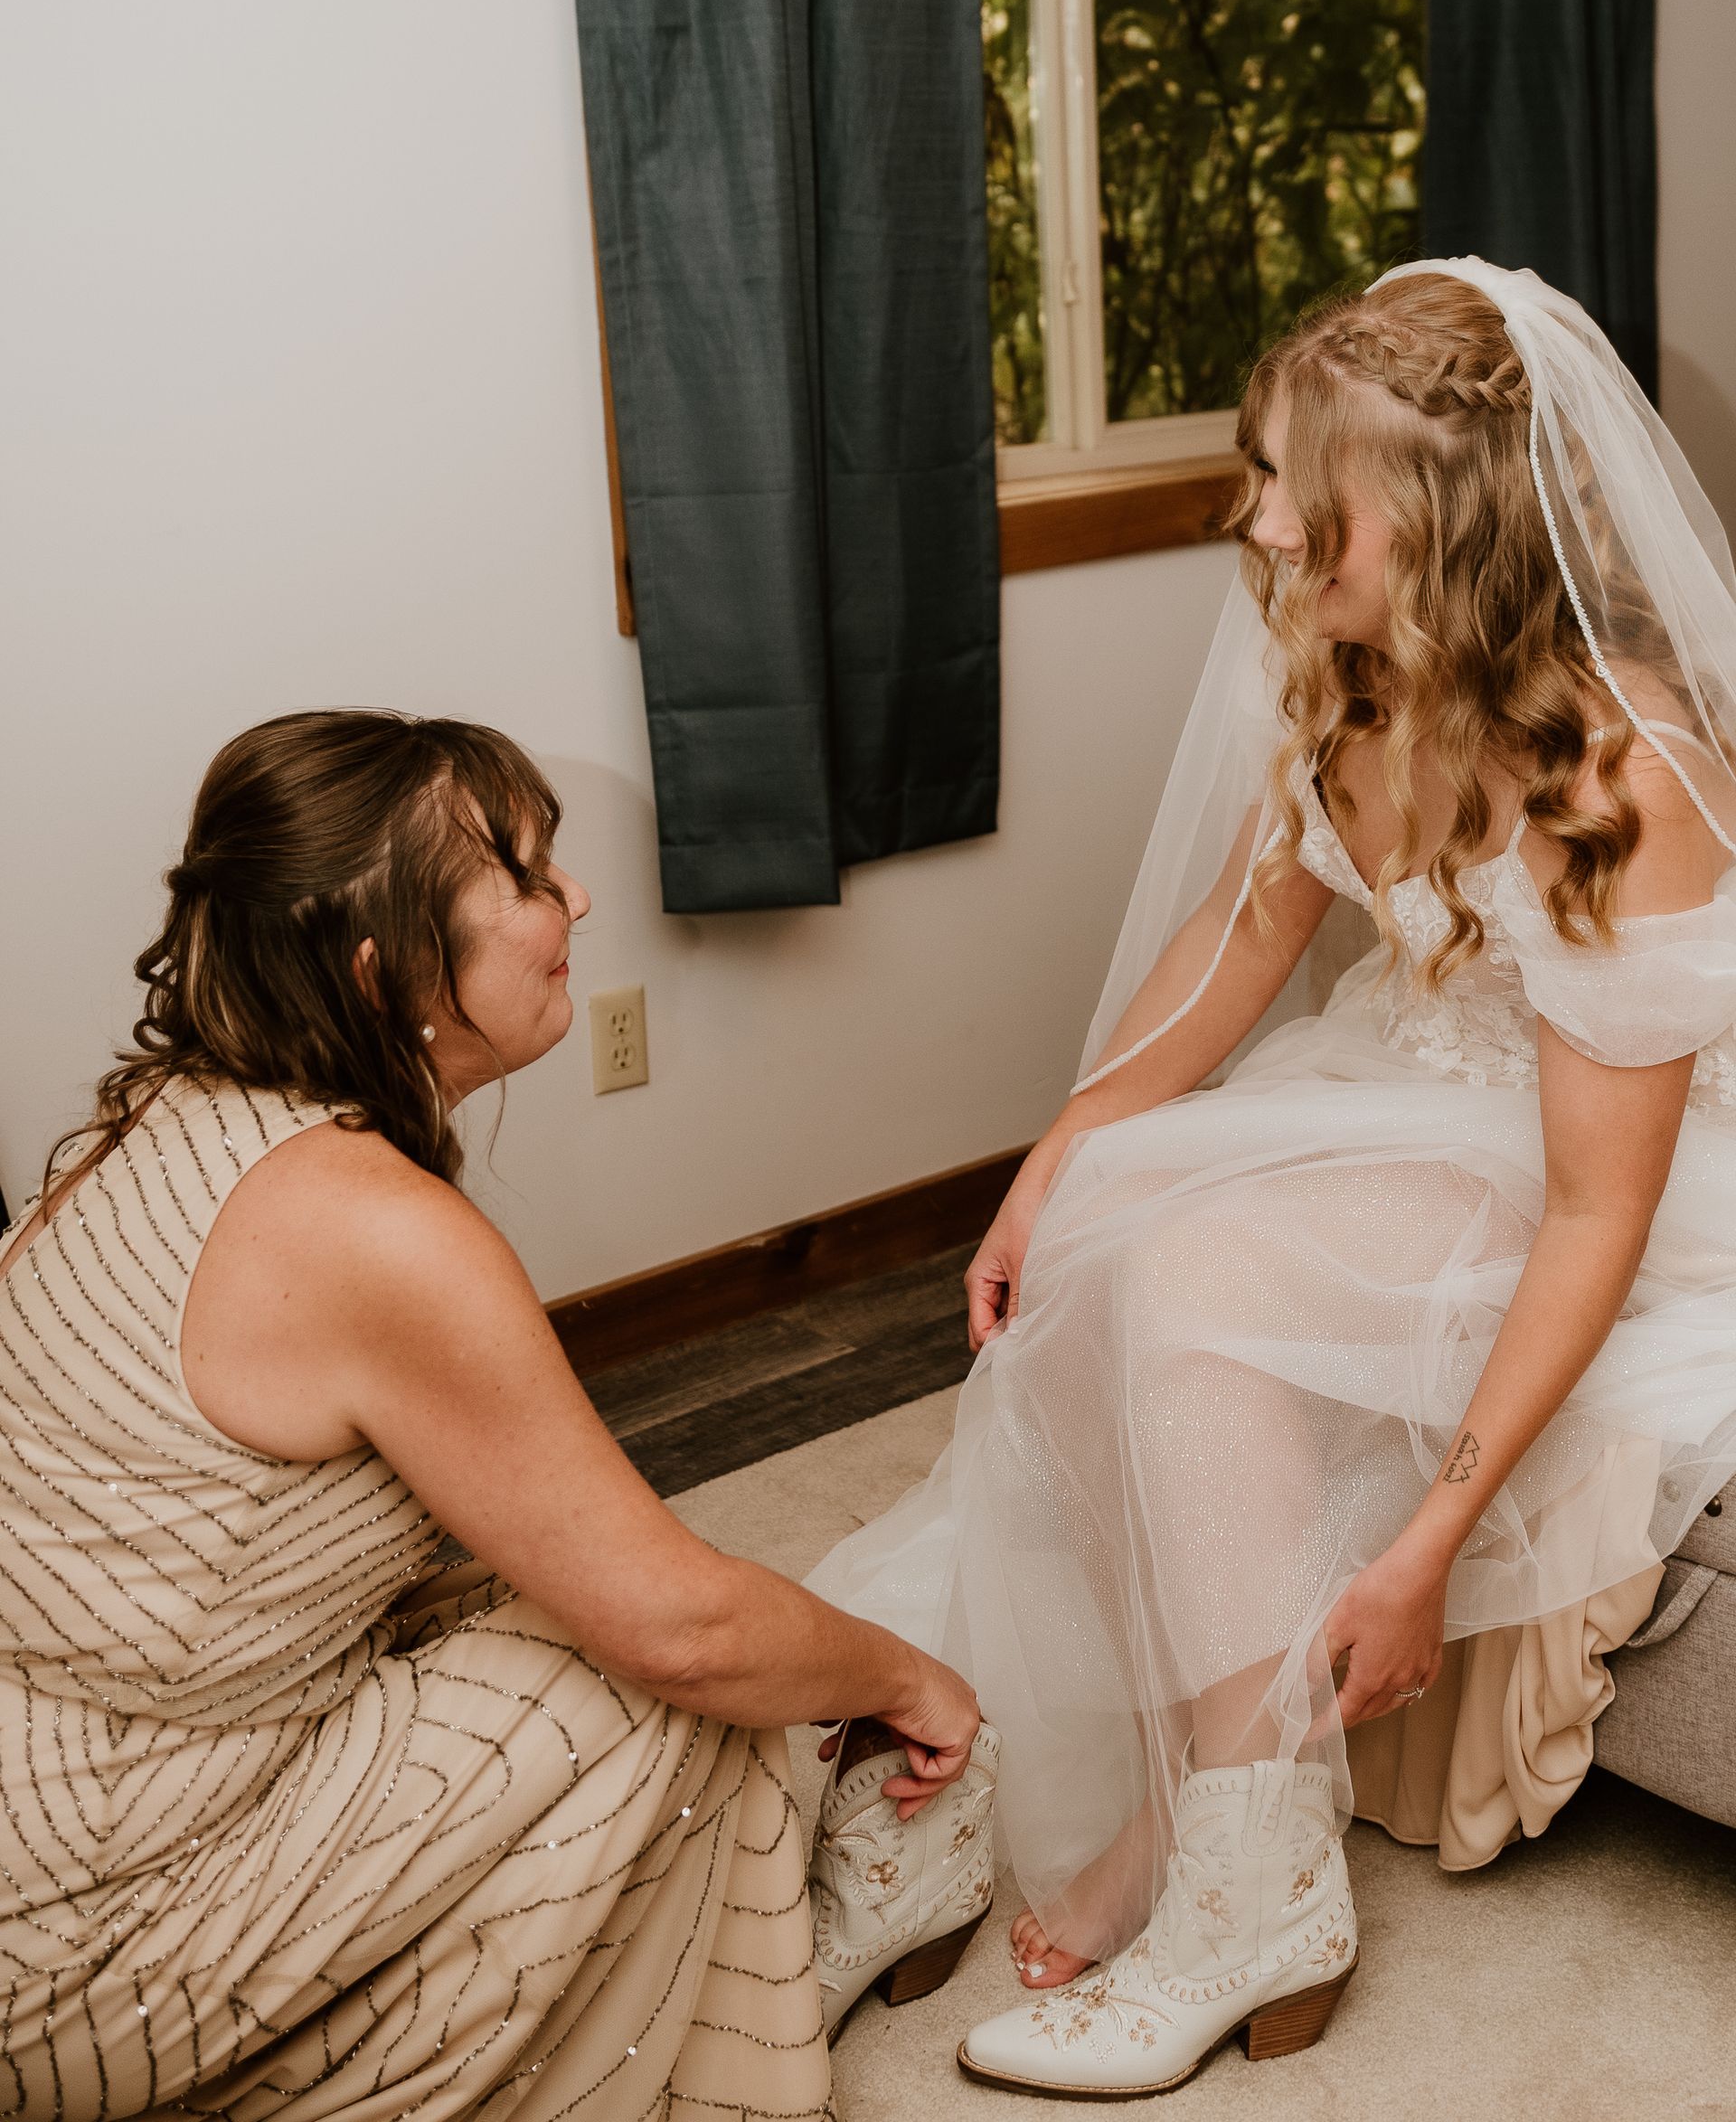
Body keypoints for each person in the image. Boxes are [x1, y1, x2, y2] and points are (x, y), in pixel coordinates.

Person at [807, 260, 1736, 2096]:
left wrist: (1427, 1545)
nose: (1255, 516)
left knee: (1199, 1279)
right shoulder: (1348, 676)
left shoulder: (1632, 773)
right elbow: (1235, 959)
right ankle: (1169, 1814)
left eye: (1292, 483)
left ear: (1437, 517)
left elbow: (1595, 1210)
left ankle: (1242, 1883)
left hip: (1593, 1163)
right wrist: (1055, 1153)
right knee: (1106, 1238)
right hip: (1403, 1093)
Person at [0, 710, 986, 2121]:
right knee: (672, 1686)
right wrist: (906, 1679)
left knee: (540, 1600)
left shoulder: (160, 1114)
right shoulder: (373, 1232)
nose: (574, 899)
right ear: (383, 967)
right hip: (73, 1933)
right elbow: (685, 1630)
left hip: (42, 1800)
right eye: (527, 874)